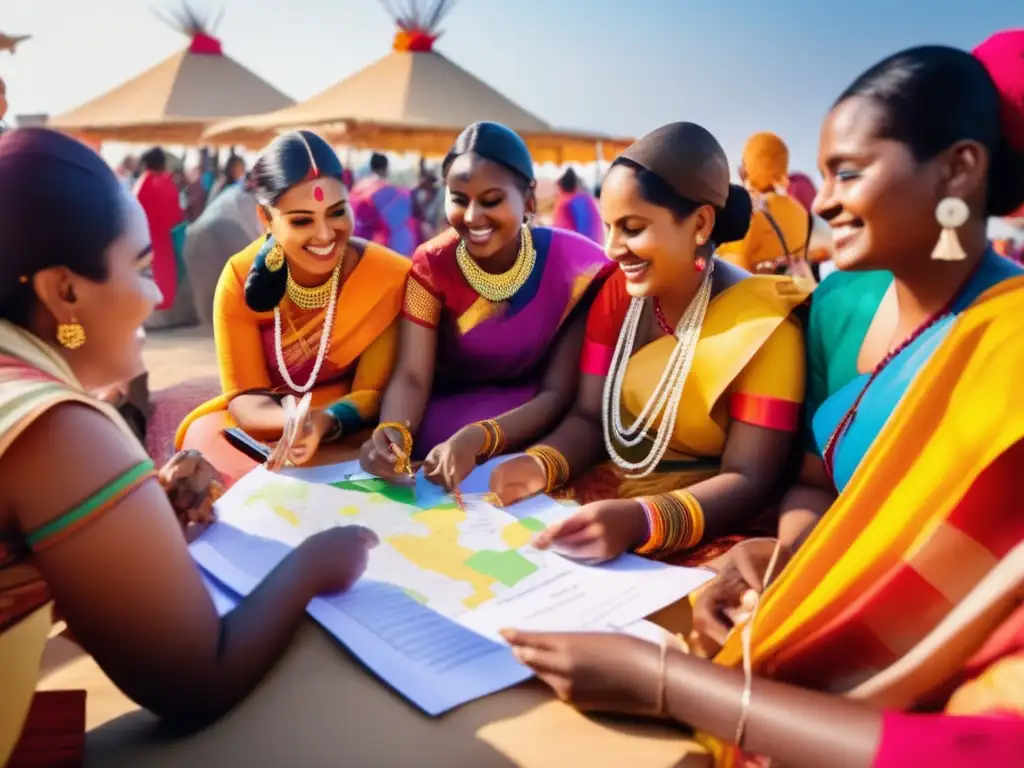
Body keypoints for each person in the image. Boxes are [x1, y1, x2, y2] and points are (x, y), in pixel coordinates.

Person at [501, 30, 1024, 767]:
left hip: (927, 682)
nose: (828, 202)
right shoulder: (841, 300)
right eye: (823, 177)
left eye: (849, 173)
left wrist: (665, 683)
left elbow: (986, 736)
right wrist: (782, 552)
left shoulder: (1009, 348)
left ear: (958, 171)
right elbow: (813, 478)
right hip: (795, 622)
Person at [0, 127, 377, 766]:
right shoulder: (59, 431)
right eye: (143, 269)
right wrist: (313, 564)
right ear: (64, 292)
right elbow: (194, 680)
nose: (161, 296)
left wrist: (137, 517)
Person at [489, 123, 809, 566]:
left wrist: (640, 520)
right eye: (607, 228)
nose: (612, 248)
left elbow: (749, 477)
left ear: (700, 223)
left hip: (709, 518)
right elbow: (588, 415)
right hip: (608, 494)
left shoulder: (764, 326)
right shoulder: (620, 294)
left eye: (632, 228)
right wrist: (543, 464)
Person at [359, 121, 612, 490]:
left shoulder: (576, 265)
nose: (473, 216)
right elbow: (413, 375)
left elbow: (559, 392)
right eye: (459, 199)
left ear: (528, 199)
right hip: (443, 416)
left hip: (537, 416)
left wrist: (480, 438)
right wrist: (393, 433)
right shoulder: (431, 265)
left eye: (491, 201)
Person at [175, 131, 411, 484]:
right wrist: (292, 423)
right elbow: (246, 397)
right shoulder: (240, 278)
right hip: (266, 426)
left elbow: (373, 392)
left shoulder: (388, 277)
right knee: (208, 441)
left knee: (372, 456)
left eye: (336, 213)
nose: (324, 235)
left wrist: (325, 420)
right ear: (266, 219)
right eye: (302, 220)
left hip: (348, 425)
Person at [718, 133, 811, 275]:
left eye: (744, 163)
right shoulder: (800, 212)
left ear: (750, 166)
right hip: (797, 294)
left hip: (752, 294)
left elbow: (729, 268)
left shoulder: (747, 210)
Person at [134, 147, 184, 312]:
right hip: (163, 240)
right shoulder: (167, 183)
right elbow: (176, 215)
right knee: (165, 278)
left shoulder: (142, 183)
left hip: (143, 240)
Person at [350, 152, 419, 257]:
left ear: (371, 166)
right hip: (384, 249)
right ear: (386, 167)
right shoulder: (393, 192)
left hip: (357, 246)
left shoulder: (357, 189)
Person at [551, 167, 604, 244]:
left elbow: (585, 234)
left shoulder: (570, 202)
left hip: (578, 248)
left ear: (561, 186)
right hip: (591, 247)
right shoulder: (584, 199)